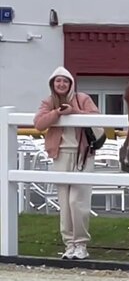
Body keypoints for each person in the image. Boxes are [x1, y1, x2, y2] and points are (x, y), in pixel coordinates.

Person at [33, 66, 100, 260]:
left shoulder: (83, 98)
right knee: (64, 201)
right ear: (53, 84)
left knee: (77, 200)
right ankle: (69, 244)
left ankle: (81, 244)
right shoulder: (49, 102)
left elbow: (97, 118)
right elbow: (39, 123)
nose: (61, 84)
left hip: (83, 154)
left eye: (65, 81)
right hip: (60, 154)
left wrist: (75, 111)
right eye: (57, 81)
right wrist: (57, 113)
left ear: (71, 84)